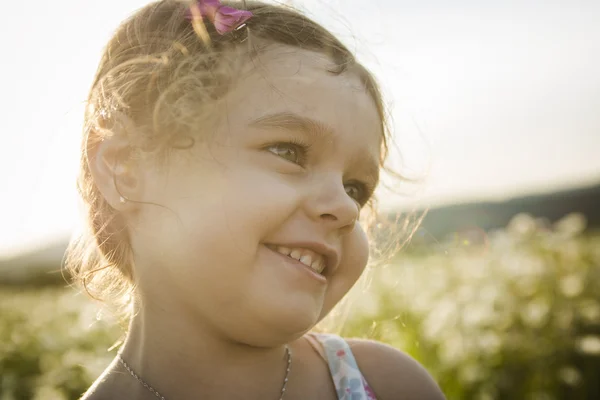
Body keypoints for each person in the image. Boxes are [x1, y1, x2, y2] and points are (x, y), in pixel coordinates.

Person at [69, 0, 445, 399]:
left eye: (356, 188)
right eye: (288, 152)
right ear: (127, 169)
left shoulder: (391, 385)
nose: (347, 208)